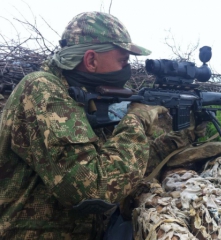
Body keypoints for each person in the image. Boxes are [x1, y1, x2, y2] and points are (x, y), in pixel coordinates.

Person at [0, 12, 206, 239]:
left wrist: (178, 139)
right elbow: (94, 190)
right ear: (91, 60)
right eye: (123, 61)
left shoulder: (88, 97)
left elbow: (118, 167)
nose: (126, 69)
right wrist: (136, 120)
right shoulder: (42, 89)